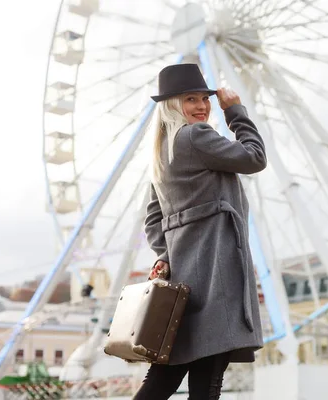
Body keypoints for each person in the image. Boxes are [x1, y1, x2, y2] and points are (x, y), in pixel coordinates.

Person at [135, 63, 266, 399]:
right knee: (207, 384)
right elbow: (254, 158)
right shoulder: (195, 136)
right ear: (172, 105)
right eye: (190, 99)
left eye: (205, 98)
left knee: (162, 380)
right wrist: (234, 111)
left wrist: (166, 255)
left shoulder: (162, 151)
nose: (202, 106)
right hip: (216, 272)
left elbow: (153, 219)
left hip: (183, 282)